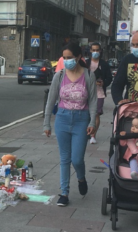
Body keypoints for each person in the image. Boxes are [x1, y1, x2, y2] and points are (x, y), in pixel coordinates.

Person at [43, 42, 97, 206]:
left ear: (79, 57)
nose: (67, 61)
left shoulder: (88, 75)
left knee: (77, 159)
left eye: (70, 58)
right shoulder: (59, 76)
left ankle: (81, 178)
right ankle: (64, 193)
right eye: (64, 58)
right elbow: (51, 100)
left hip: (81, 120)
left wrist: (92, 122)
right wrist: (46, 123)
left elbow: (93, 101)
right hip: (63, 118)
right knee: (65, 158)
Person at [86, 42, 113, 144]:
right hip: (86, 92)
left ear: (100, 51)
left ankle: (93, 135)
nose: (95, 52)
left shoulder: (104, 64)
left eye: (97, 50)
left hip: (99, 92)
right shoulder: (86, 63)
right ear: (90, 51)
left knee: (96, 114)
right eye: (93, 50)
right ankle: (87, 132)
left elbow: (109, 78)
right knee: (86, 114)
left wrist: (103, 83)